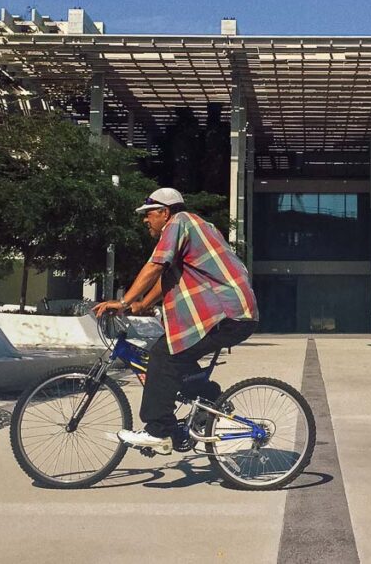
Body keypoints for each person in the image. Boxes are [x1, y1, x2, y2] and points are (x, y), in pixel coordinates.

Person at [92, 187, 258, 453]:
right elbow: (166, 277)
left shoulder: (178, 223)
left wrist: (123, 302)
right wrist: (142, 304)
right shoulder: (196, 225)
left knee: (163, 354)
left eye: (148, 214)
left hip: (227, 313)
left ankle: (158, 431)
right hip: (233, 314)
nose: (145, 220)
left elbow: (156, 266)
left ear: (164, 212)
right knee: (177, 356)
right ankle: (211, 400)